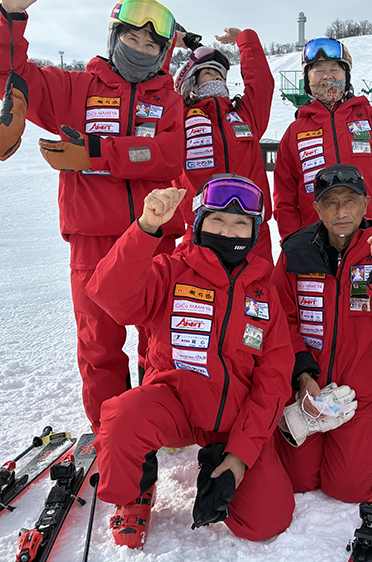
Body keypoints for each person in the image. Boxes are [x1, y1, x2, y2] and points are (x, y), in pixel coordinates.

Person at [0, 0, 186, 432]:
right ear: (114, 38)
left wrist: (94, 152)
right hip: (93, 243)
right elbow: (6, 75)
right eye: (131, 39)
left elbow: (168, 154)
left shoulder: (168, 98)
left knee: (161, 341)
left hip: (155, 238)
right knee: (99, 347)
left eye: (151, 44)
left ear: (164, 53)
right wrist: (11, 16)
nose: (140, 49)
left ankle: (158, 422)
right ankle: (112, 434)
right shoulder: (76, 89)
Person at [86, 175, 295, 548]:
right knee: (121, 417)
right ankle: (136, 489)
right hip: (175, 405)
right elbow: (110, 294)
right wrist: (147, 226)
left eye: (240, 223)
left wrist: (240, 456)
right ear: (199, 222)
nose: (228, 232)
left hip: (234, 418)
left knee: (266, 521)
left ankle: (216, 459)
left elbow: (274, 380)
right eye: (217, 220)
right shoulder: (170, 271)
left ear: (254, 230)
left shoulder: (264, 292)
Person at [271, 165, 372, 504]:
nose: (341, 212)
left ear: (367, 203)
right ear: (316, 207)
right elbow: (280, 319)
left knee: (350, 488)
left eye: (350, 201)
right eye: (330, 202)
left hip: (358, 392)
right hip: (307, 388)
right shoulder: (295, 252)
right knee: (299, 479)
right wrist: (302, 376)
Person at [273, 38, 372, 242]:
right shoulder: (295, 131)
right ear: (307, 78)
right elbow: (284, 199)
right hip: (317, 245)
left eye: (335, 69)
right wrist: (295, 241)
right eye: (318, 70)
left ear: (346, 75)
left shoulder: (370, 118)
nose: (327, 76)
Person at [174, 29, 276, 262]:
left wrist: (245, 41)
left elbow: (261, 84)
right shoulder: (180, 117)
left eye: (221, 76)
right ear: (190, 82)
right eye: (209, 73)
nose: (218, 79)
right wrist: (170, 43)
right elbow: (156, 94)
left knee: (258, 296)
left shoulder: (244, 117)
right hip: (201, 228)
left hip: (250, 227)